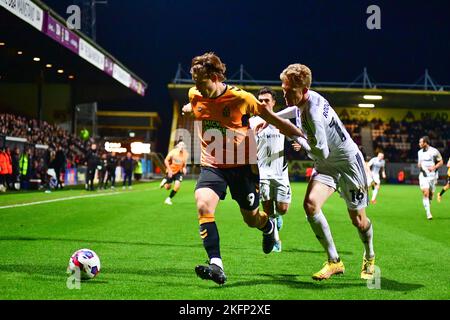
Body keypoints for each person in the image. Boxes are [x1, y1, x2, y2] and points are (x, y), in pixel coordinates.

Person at [183, 52, 304, 285]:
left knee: (251, 220)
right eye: (195, 83)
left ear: (216, 76)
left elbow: (270, 116)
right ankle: (216, 264)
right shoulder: (195, 93)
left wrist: (298, 133)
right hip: (213, 164)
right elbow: (197, 103)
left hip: (242, 167)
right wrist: (190, 108)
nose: (197, 87)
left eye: (202, 82)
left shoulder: (241, 99)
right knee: (202, 204)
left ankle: (268, 226)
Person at [272, 63, 376, 281]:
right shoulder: (308, 97)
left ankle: (369, 254)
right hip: (327, 164)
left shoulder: (314, 114)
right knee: (310, 205)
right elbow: (294, 110)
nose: (284, 93)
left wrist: (293, 134)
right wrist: (274, 119)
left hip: (348, 163)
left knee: (358, 221)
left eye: (288, 90)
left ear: (302, 90)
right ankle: (334, 261)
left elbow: (320, 150)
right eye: (283, 88)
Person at [249, 87, 291, 252]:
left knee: (282, 209)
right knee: (266, 209)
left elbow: (295, 134)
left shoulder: (281, 119)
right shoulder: (252, 121)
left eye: (267, 100)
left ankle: (278, 217)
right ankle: (275, 241)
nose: (263, 103)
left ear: (274, 102)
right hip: (263, 171)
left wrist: (296, 143)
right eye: (261, 100)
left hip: (280, 171)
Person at [417, 136, 443, 219]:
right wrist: (420, 166)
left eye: (421, 142)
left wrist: (434, 167)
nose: (419, 144)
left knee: (431, 195)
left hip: (432, 176)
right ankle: (428, 213)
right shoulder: (419, 152)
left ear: (425, 143)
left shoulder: (434, 151)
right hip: (423, 175)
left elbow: (441, 162)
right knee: (425, 193)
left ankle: (428, 204)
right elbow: (419, 163)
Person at [160, 141, 189, 205]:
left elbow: (184, 164)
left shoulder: (186, 154)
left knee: (177, 186)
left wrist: (184, 168)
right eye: (180, 145)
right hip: (171, 170)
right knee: (168, 187)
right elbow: (166, 160)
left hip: (179, 172)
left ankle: (168, 199)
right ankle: (165, 181)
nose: (182, 146)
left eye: (183, 145)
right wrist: (169, 170)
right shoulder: (173, 152)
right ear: (178, 146)